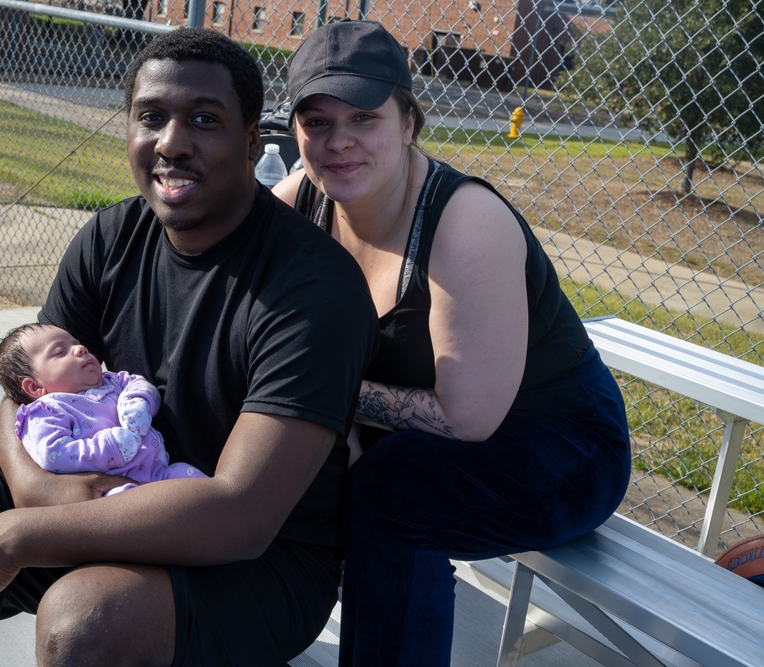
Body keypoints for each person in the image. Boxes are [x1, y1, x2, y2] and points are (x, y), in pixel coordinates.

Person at [0, 27, 379, 667]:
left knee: (86, 621)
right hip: (105, 489)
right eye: (151, 117)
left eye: (204, 120)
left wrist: (18, 535)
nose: (172, 143)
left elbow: (243, 514)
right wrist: (37, 495)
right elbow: (22, 394)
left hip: (258, 559)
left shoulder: (313, 287)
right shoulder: (111, 236)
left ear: (249, 142)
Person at [272, 20, 632, 666]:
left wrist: (328, 397)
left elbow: (466, 418)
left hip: (561, 443)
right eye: (317, 121)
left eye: (363, 117)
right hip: (417, 426)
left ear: (408, 122)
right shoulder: (301, 200)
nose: (339, 142)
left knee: (391, 496)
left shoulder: (466, 222)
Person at [0, 322, 206, 493]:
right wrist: (111, 447)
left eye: (76, 343)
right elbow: (54, 454)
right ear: (35, 386)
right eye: (59, 352)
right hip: (112, 488)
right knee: (129, 510)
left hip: (161, 473)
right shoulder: (47, 411)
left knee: (196, 482)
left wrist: (137, 401)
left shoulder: (112, 381)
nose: (80, 348)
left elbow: (140, 385)